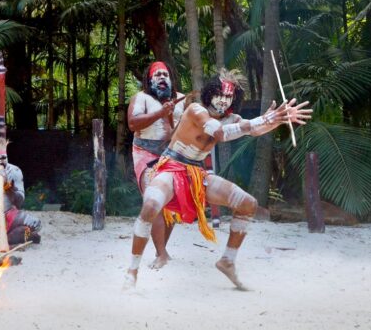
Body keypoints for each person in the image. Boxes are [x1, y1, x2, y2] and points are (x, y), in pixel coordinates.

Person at [124, 69, 312, 290]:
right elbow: (220, 133)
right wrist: (262, 119)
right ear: (210, 93)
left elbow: (255, 128)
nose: (223, 100)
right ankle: (132, 272)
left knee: (248, 204)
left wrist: (279, 118)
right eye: (219, 94)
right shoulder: (196, 110)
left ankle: (227, 261)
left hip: (196, 174)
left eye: (228, 97)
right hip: (171, 168)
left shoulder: (232, 118)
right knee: (151, 204)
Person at [127, 60, 187, 269]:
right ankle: (162, 254)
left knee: (172, 204)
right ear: (149, 79)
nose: (162, 77)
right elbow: (133, 124)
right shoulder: (141, 98)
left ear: (171, 79)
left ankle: (161, 251)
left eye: (165, 75)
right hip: (146, 154)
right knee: (155, 201)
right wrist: (161, 113)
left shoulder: (181, 99)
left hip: (173, 156)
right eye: (157, 75)